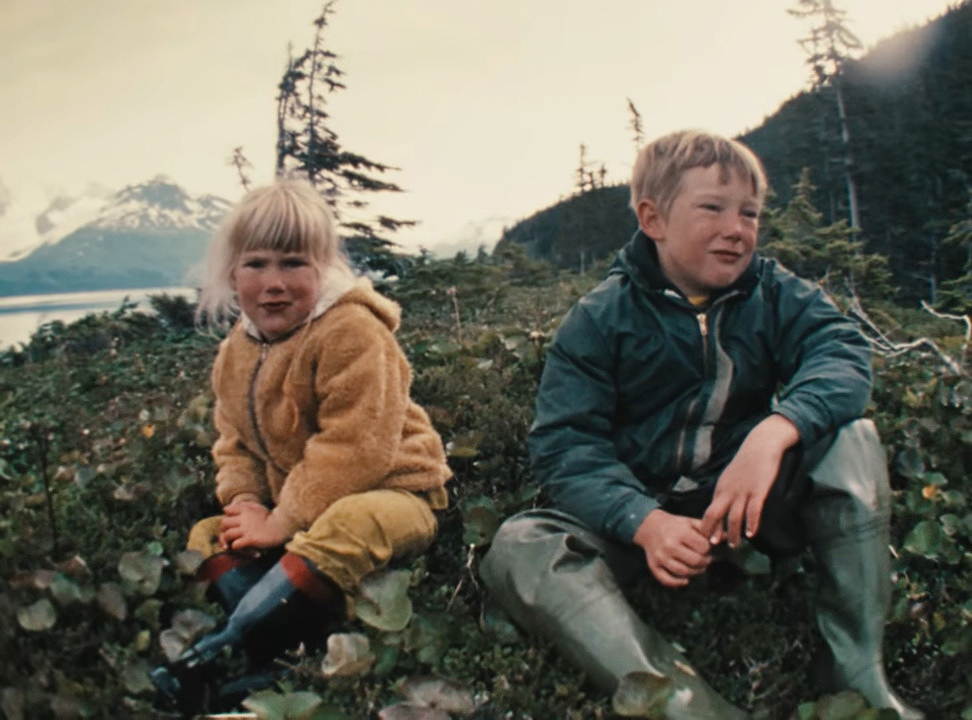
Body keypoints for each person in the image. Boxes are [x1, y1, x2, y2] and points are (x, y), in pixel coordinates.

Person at [479, 130, 923, 719]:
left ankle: (856, 669)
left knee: (851, 439)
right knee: (519, 546)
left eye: (749, 213)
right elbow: (565, 447)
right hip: (641, 524)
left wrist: (776, 430)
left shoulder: (775, 293)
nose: (736, 229)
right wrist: (643, 521)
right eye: (712, 208)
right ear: (653, 218)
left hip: (746, 510)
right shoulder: (598, 319)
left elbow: (840, 352)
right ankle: (684, 703)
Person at [150, 180, 452, 713]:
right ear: (231, 274)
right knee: (210, 533)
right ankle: (286, 646)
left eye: (293, 264)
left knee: (350, 522)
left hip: (394, 495)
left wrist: (283, 519)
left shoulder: (352, 330)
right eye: (256, 265)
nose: (274, 284)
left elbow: (356, 448)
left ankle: (219, 656)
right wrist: (246, 503)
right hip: (299, 509)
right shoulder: (235, 351)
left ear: (323, 267)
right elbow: (233, 443)